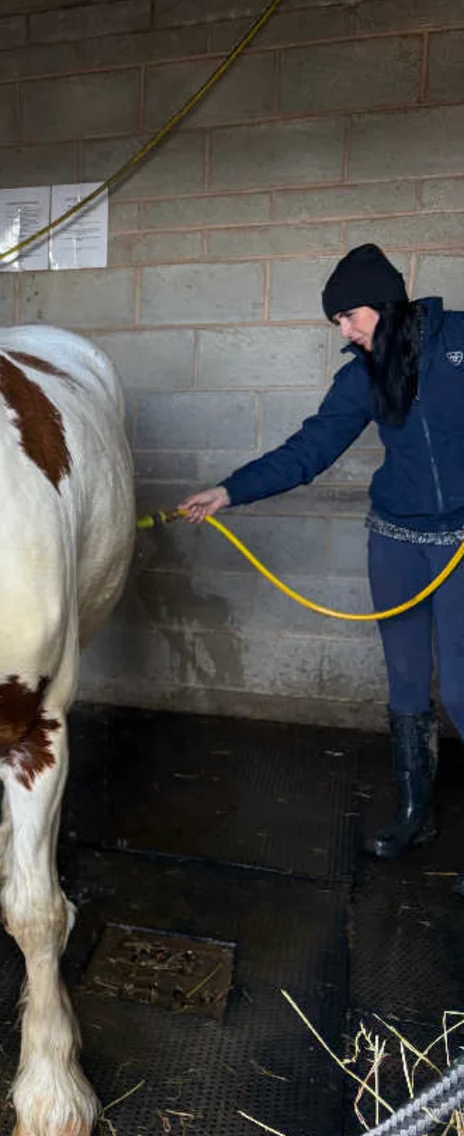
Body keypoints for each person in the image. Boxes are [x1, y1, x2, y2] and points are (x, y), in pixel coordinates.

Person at [181, 243, 464, 881]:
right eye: (336, 322)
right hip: (395, 540)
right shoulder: (362, 375)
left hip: (460, 543)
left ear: (385, 301)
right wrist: (231, 490)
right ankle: (417, 812)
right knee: (407, 680)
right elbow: (310, 447)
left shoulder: (458, 342)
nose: (344, 330)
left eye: (348, 316)